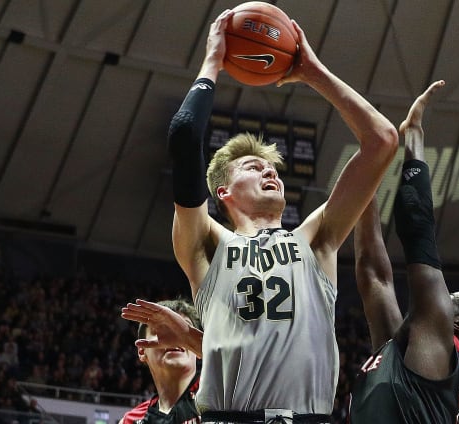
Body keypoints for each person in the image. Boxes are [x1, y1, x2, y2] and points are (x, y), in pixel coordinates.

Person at [165, 7, 398, 422]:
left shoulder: (316, 238)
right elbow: (185, 135)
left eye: (271, 167)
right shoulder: (206, 243)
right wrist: (214, 61)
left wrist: (313, 73)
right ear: (223, 191)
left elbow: (381, 141)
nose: (269, 170)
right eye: (252, 167)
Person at [348, 80, 459, 423]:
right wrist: (367, 174)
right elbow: (372, 274)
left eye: (454, 296)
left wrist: (415, 139)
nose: (440, 294)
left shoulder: (436, 339)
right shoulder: (411, 355)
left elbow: (419, 230)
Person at [119, 299, 202, 424]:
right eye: (162, 330)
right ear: (142, 351)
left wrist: (203, 346)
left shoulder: (223, 391)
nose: (174, 338)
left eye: (182, 331)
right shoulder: (130, 421)